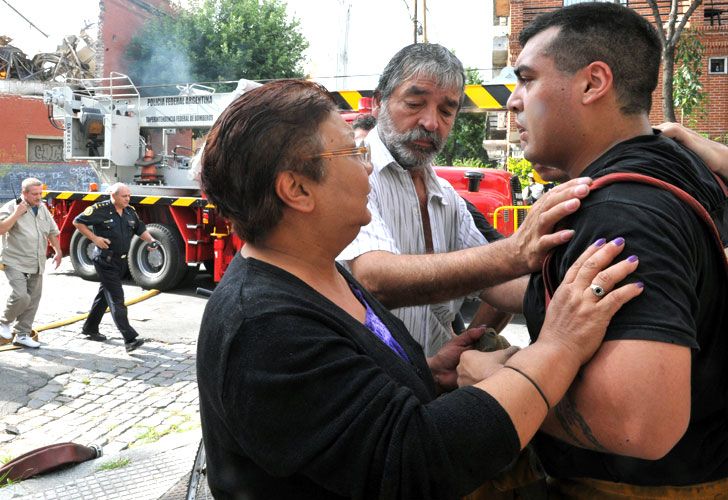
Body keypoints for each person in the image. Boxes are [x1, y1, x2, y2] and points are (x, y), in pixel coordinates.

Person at [196, 78, 643, 499]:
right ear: (296, 189)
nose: (367, 169)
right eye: (352, 154)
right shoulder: (264, 327)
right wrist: (561, 346)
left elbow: (348, 403)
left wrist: (425, 375)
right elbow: (419, 460)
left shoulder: (318, 273)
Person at [495, 3, 728, 495]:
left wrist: (494, 376)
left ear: (592, 83)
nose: (513, 102)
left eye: (527, 79)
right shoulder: (684, 174)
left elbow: (641, 424)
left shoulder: (625, 210)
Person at [338, 43, 555, 357]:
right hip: (375, 388)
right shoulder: (353, 177)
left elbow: (492, 281)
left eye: (446, 110)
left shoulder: (445, 196)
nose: (431, 122)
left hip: (431, 382)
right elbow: (373, 279)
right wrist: (514, 252)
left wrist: (566, 294)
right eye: (415, 103)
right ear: (378, 104)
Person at [73, 183, 157, 353]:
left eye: (129, 196)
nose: (127, 199)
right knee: (116, 298)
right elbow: (78, 222)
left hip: (120, 261)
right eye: (124, 196)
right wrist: (95, 239)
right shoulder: (100, 209)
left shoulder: (129, 211)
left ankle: (90, 328)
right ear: (113, 195)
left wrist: (151, 241)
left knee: (104, 295)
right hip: (105, 260)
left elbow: (139, 229)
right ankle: (129, 338)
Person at [0, 178, 62, 348]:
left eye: (40, 193)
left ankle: (22, 334)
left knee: (33, 299)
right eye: (35, 194)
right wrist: (17, 213)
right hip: (15, 260)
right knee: (21, 295)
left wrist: (58, 250)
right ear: (24, 193)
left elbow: (51, 231)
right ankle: (4, 323)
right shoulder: (11, 207)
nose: (39, 197)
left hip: (36, 261)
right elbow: (1, 229)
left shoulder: (42, 208)